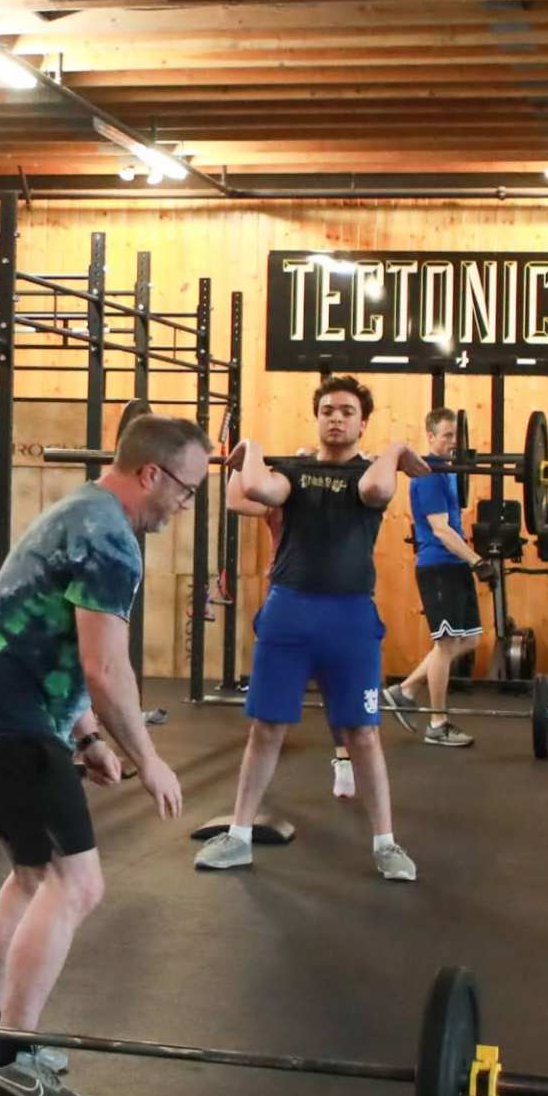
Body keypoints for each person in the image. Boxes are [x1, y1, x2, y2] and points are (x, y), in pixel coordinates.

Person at [0, 414, 203, 1096]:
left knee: (33, 876)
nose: (186, 504)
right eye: (187, 489)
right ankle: (13, 1058)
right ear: (153, 473)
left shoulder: (78, 511)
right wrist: (150, 760)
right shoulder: (112, 537)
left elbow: (44, 633)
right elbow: (104, 665)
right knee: (76, 883)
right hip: (9, 726)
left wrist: (86, 738)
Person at [198, 375, 418, 881]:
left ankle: (385, 844)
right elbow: (251, 488)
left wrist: (398, 448)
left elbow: (378, 489)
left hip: (350, 618)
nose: (335, 418)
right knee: (267, 727)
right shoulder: (292, 472)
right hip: (290, 612)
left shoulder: (371, 473)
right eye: (326, 410)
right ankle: (238, 836)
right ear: (316, 418)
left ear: (362, 422)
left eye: (346, 411)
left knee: (362, 733)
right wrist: (251, 446)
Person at [394, 408, 480, 747]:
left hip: (454, 564)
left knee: (469, 639)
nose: (451, 441)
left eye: (454, 436)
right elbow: (441, 529)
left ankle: (405, 689)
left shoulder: (448, 472)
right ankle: (437, 723)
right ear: (429, 437)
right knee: (445, 645)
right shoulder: (429, 474)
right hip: (438, 565)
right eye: (445, 435)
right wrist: (476, 559)